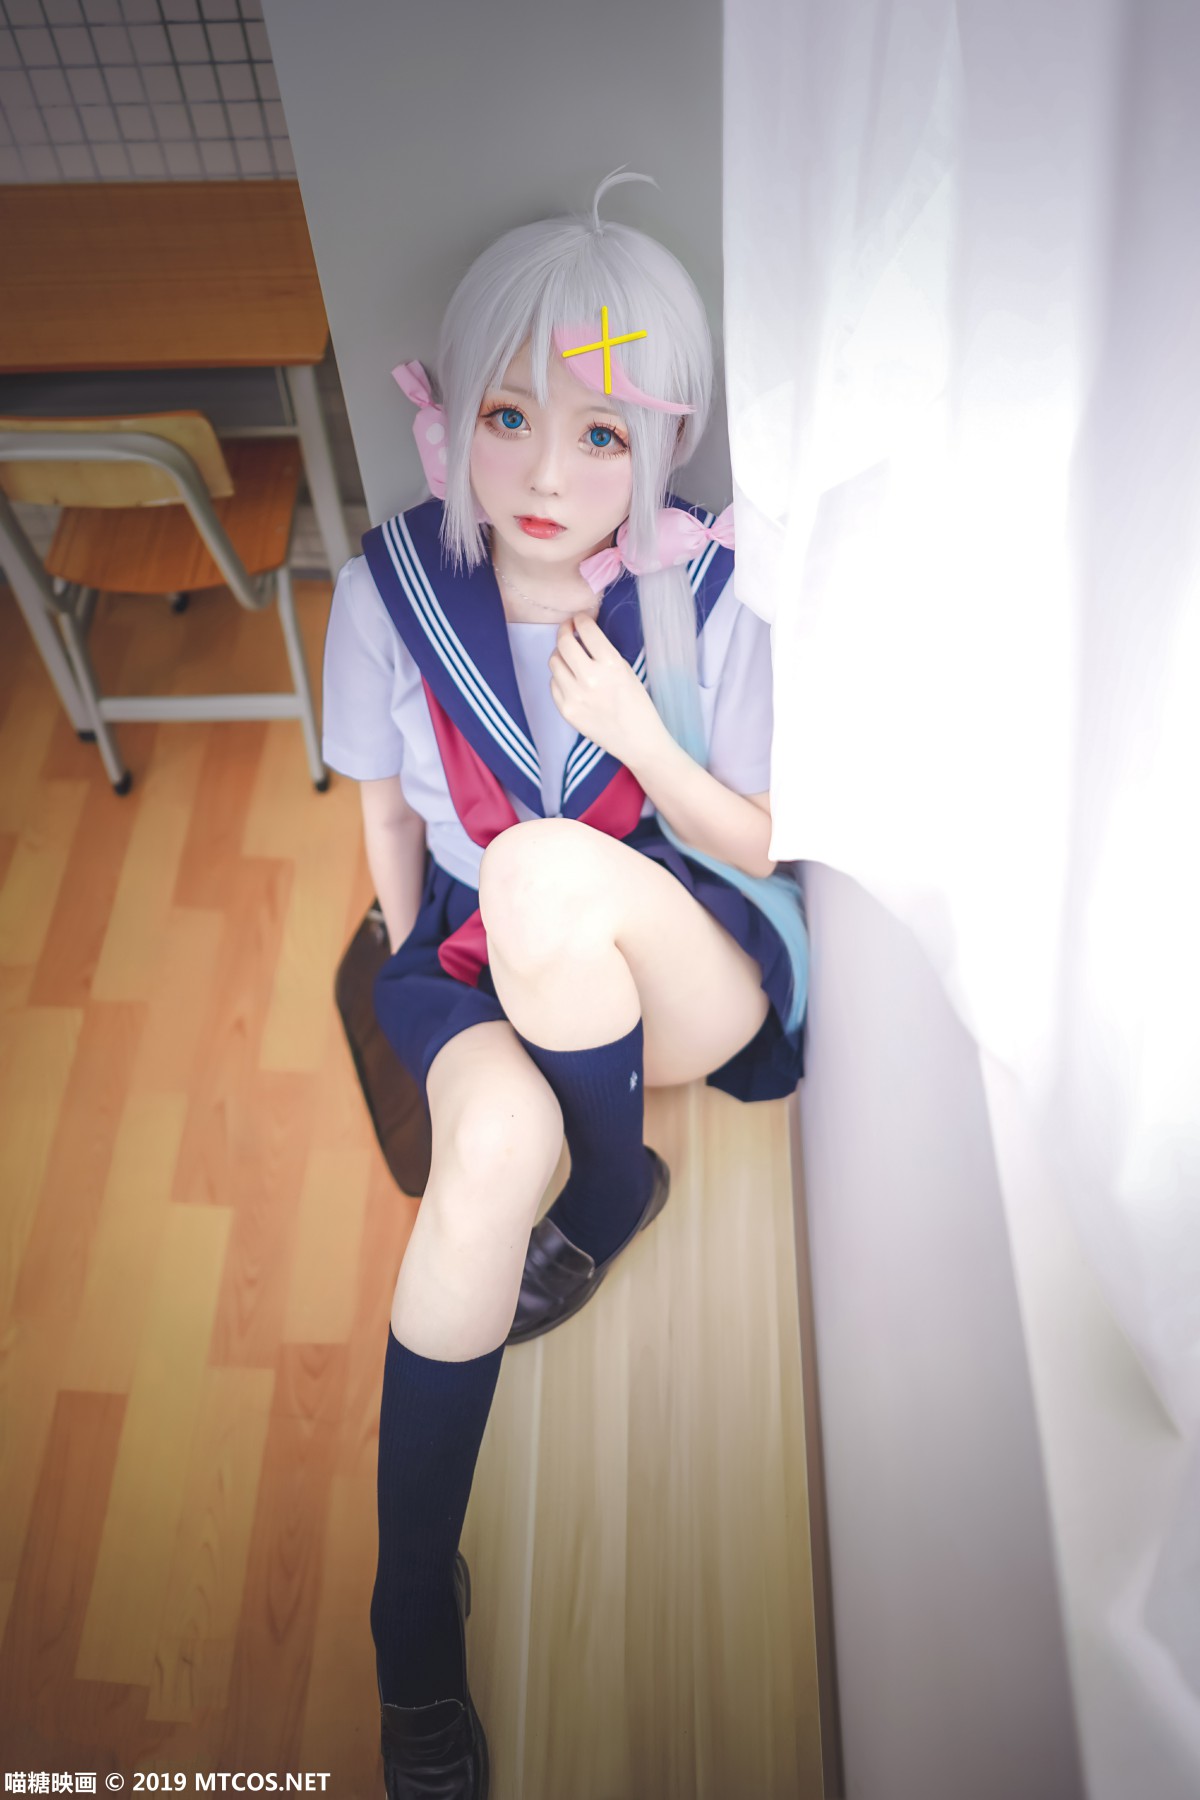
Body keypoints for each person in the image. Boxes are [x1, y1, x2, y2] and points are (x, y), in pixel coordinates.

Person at [320, 167, 809, 1800]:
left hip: (680, 946)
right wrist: (415, 990)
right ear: (449, 412)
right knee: (479, 1166)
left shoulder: (707, 589)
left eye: (602, 434)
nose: (545, 474)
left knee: (538, 867)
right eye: (510, 415)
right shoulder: (391, 588)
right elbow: (387, 815)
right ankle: (408, 1628)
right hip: (484, 951)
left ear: (660, 444)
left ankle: (609, 1196)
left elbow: (762, 837)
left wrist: (645, 738)